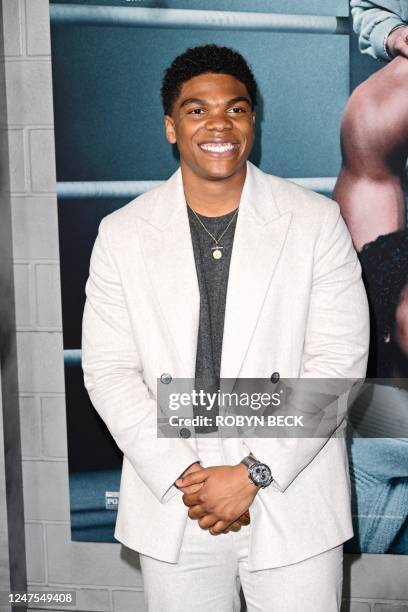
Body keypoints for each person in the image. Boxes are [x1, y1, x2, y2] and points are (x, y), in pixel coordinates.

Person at [81, 44, 369, 612]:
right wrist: (186, 475)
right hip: (175, 495)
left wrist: (252, 472)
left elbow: (339, 363)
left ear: (252, 122)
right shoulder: (122, 233)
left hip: (293, 486)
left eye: (235, 109)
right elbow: (108, 370)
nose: (219, 124)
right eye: (197, 110)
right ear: (170, 126)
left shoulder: (314, 221)